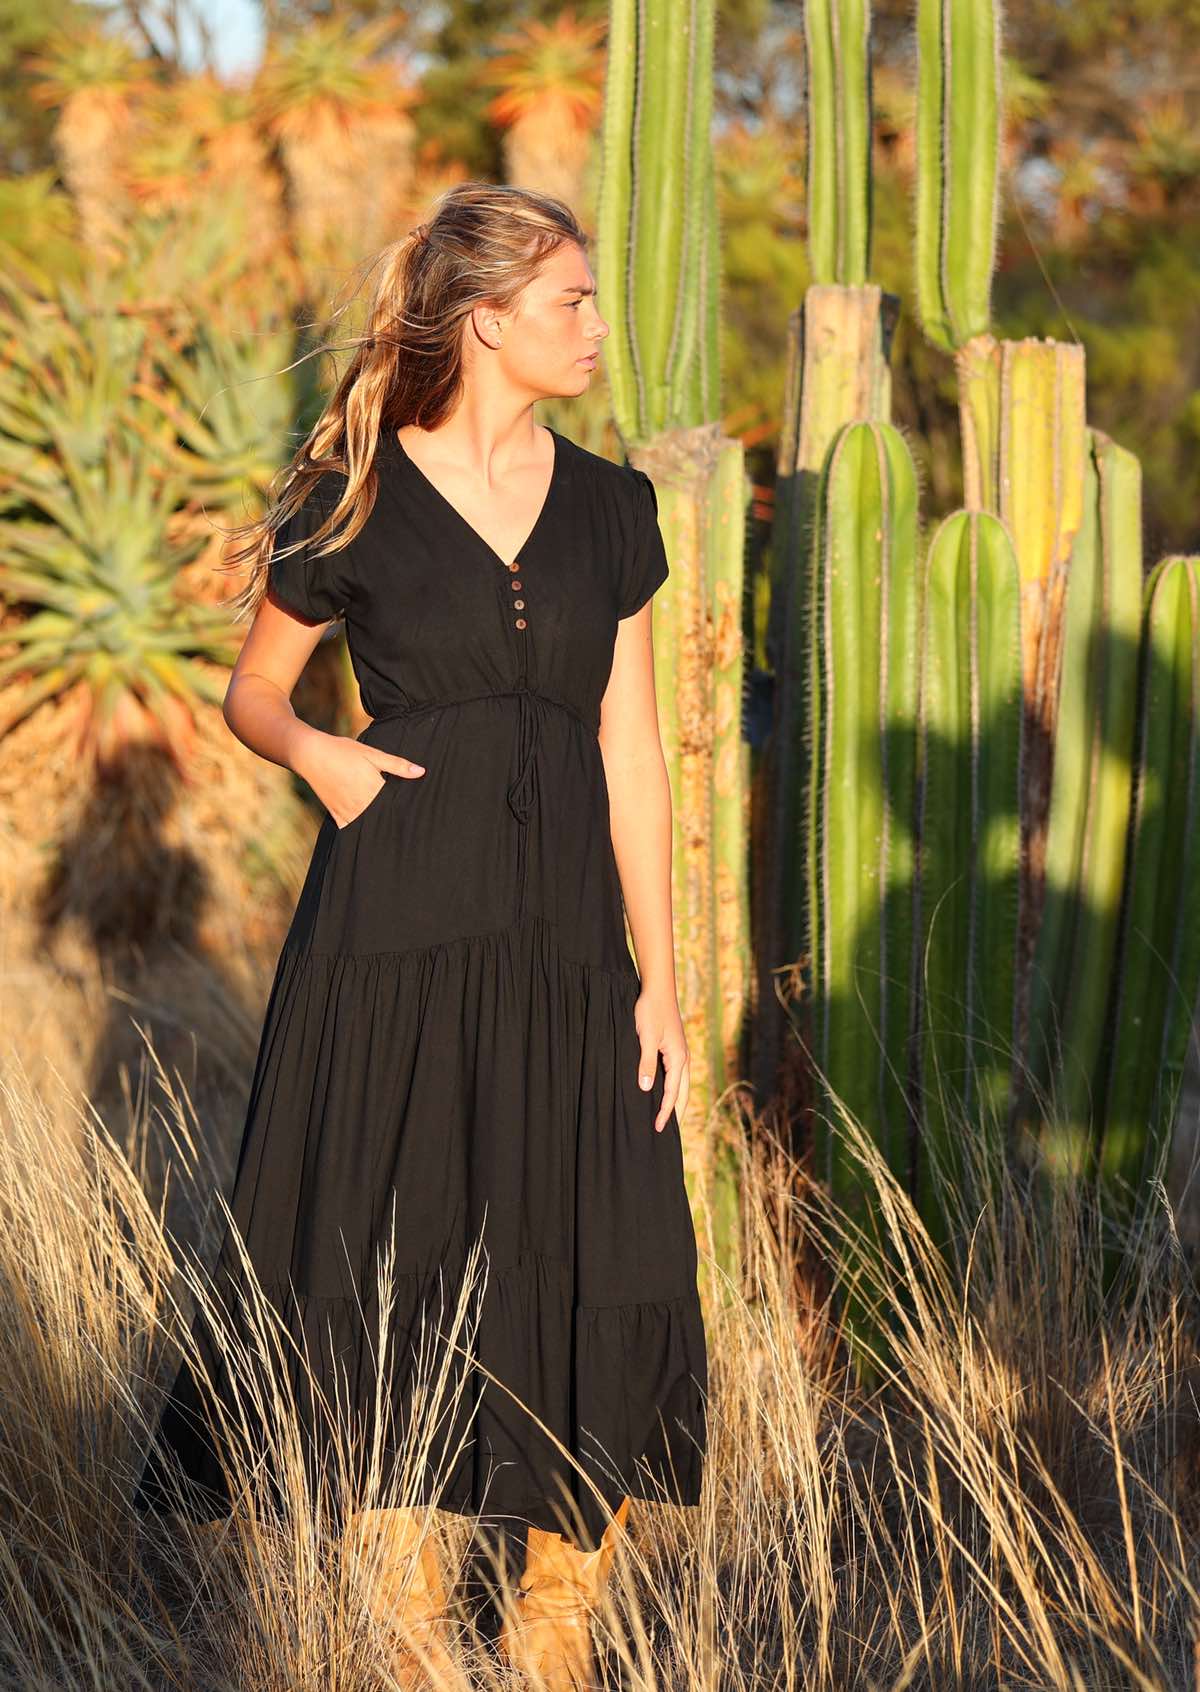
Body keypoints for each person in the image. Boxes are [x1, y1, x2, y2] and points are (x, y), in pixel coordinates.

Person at [134, 181, 708, 1687]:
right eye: (572, 299)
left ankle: (554, 1637)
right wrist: (315, 754)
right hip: (391, 930)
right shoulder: (357, 493)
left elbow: (633, 750)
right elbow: (255, 691)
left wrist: (661, 982)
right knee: (397, 1242)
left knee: (597, 1242)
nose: (597, 325)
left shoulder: (615, 509)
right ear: (488, 322)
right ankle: (399, 1642)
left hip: (570, 944)